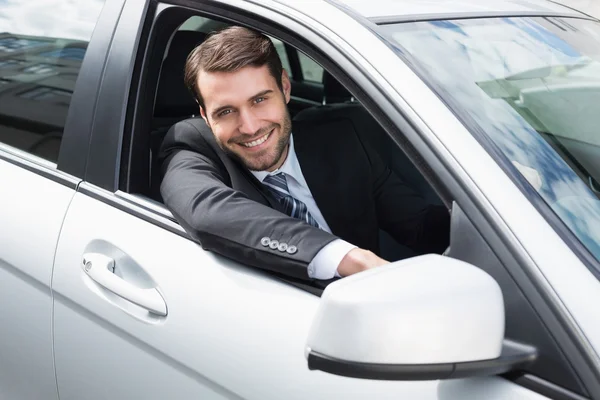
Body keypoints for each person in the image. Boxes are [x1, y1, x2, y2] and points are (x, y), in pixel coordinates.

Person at [159, 26, 449, 282]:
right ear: (205, 116)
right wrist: (350, 260)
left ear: (285, 87)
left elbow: (420, 224)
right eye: (225, 111)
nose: (249, 127)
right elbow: (207, 214)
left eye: (259, 100)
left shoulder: (341, 141)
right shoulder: (191, 145)